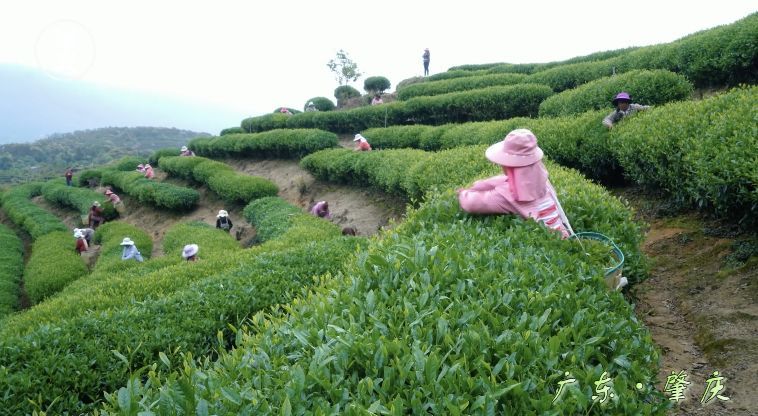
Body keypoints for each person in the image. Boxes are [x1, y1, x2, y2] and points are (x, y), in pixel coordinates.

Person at [456, 129, 572, 238]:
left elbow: (470, 203)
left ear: (508, 165)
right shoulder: (543, 182)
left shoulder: (509, 194)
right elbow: (507, 180)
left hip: (548, 244)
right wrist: (482, 184)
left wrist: (463, 193)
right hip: (564, 236)